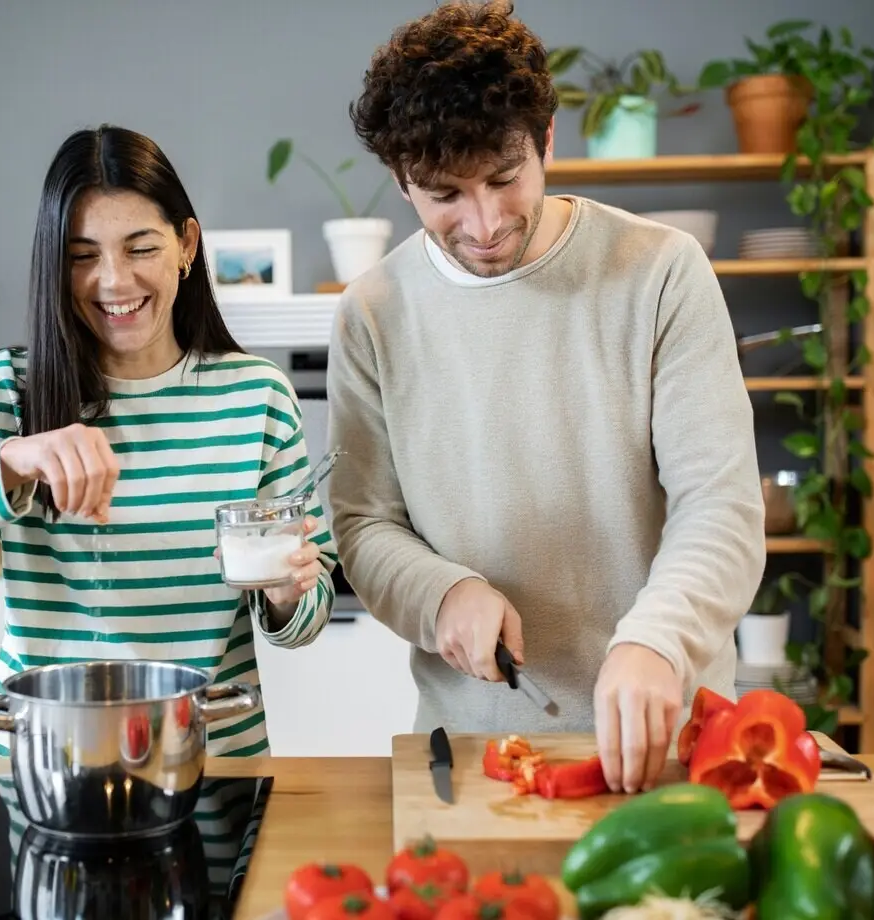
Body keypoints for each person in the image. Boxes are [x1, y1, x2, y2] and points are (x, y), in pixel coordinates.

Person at [327, 0, 765, 795]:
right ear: (400, 181)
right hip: (476, 754)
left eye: (505, 177)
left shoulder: (660, 271)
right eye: (444, 195)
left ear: (547, 141)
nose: (486, 222)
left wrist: (657, 641)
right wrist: (442, 592)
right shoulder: (372, 313)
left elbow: (720, 504)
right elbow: (362, 523)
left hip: (676, 735)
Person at [0, 124, 337, 760]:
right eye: (83, 256)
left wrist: (287, 592)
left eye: (140, 248)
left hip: (209, 767)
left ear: (185, 245)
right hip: (46, 763)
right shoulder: (10, 391)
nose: (114, 281)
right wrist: (10, 461)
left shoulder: (255, 396)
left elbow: (307, 607)